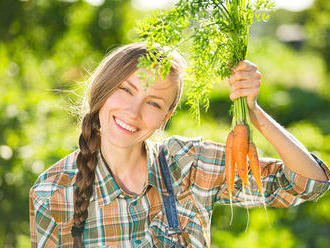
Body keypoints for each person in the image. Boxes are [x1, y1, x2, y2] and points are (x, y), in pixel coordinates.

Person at [29, 42, 330, 248]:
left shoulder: (189, 164)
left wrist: (254, 113)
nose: (133, 113)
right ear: (102, 89)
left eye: (153, 103)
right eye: (125, 89)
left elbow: (308, 183)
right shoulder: (53, 194)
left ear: (166, 115)